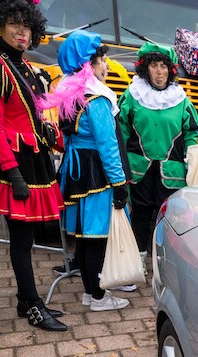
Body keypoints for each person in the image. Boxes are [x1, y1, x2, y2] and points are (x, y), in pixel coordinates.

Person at [0, 0, 67, 331]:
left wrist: (48, 131)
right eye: (13, 24)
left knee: (28, 236)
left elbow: (30, 114)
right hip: (13, 161)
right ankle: (33, 304)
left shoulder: (22, 65)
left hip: (33, 157)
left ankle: (27, 300)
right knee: (22, 238)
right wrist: (13, 174)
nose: (21, 31)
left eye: (26, 25)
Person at [49, 31, 131, 313]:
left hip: (75, 170)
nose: (107, 66)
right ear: (89, 64)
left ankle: (89, 292)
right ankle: (97, 296)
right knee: (96, 235)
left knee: (83, 236)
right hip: (97, 173)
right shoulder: (96, 99)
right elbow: (108, 146)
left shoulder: (69, 96)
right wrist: (119, 183)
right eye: (103, 60)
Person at [118, 42, 198, 264]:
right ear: (146, 69)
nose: (159, 72)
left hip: (172, 170)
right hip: (138, 169)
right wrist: (119, 165)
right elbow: (122, 133)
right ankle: (138, 262)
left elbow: (190, 135)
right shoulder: (133, 95)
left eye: (164, 66)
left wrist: (191, 164)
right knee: (141, 215)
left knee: (168, 217)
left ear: (170, 70)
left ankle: (164, 261)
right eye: (154, 66)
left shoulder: (181, 100)